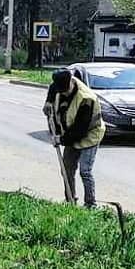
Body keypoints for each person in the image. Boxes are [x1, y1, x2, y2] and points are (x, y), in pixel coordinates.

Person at [43, 69, 105, 208]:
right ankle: (70, 201)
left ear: (71, 82)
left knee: (85, 171)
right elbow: (53, 88)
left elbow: (79, 130)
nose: (63, 93)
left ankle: (90, 204)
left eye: (65, 91)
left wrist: (61, 140)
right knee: (67, 169)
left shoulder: (86, 98)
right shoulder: (60, 84)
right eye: (61, 91)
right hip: (70, 134)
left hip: (90, 135)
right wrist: (48, 102)